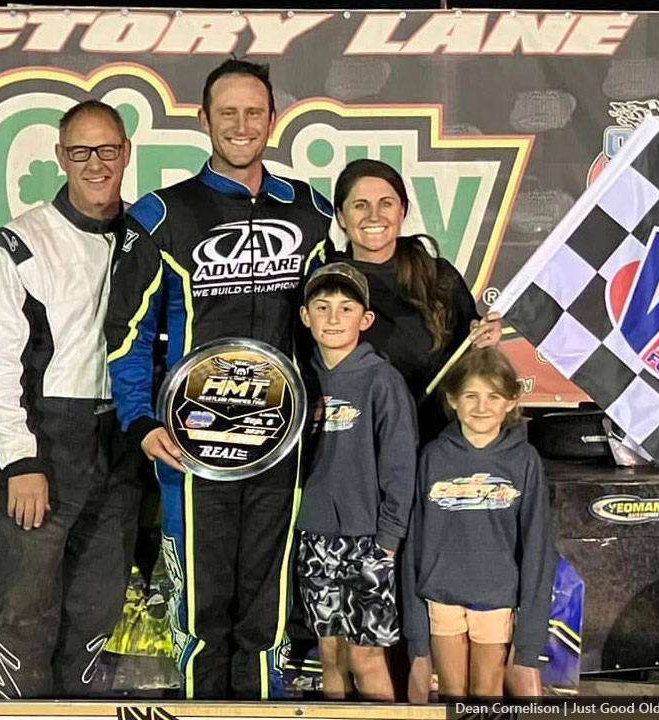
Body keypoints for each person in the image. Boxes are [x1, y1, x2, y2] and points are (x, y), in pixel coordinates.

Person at [105, 59, 331, 700]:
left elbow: (326, 318)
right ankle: (205, 712)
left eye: (253, 112)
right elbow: (128, 332)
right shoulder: (162, 214)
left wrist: (317, 396)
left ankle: (261, 708)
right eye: (226, 112)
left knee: (268, 603)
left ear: (273, 119)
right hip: (193, 441)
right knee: (203, 605)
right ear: (203, 120)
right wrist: (140, 419)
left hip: (281, 440)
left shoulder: (310, 210)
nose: (241, 125)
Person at [0, 100, 142, 699]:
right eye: (80, 152)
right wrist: (21, 460)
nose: (95, 164)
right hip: (47, 437)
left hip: (123, 439)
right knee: (23, 609)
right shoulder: (21, 242)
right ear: (60, 158)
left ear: (126, 153)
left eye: (107, 150)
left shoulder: (147, 235)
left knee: (97, 607)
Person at [402, 347, 555, 698]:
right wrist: (416, 641)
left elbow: (537, 547)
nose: (481, 406)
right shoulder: (433, 456)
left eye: (493, 396)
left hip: (496, 597)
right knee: (453, 694)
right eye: (471, 395)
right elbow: (416, 541)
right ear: (453, 399)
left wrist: (528, 641)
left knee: (486, 693)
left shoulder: (525, 460)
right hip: (441, 597)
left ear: (511, 401)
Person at [295, 262, 417, 701]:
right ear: (305, 316)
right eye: (322, 307)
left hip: (369, 541)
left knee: (366, 658)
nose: (332, 318)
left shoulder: (381, 380)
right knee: (329, 655)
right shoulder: (296, 379)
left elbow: (402, 466)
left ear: (364, 320)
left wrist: (388, 538)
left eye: (345, 308)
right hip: (315, 538)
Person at [331, 158, 501, 434]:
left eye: (386, 203)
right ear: (340, 216)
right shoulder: (326, 282)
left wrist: (485, 341)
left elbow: (471, 362)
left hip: (432, 443)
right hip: (352, 443)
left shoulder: (438, 277)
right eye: (360, 205)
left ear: (403, 211)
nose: (374, 216)